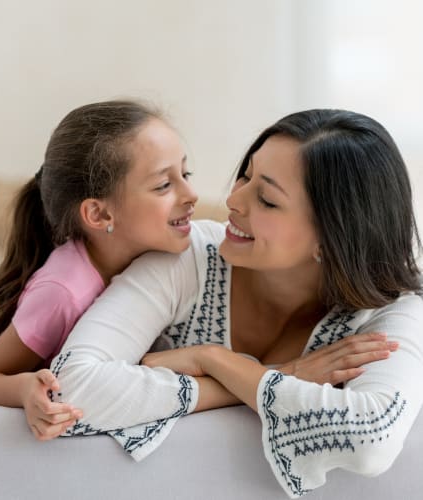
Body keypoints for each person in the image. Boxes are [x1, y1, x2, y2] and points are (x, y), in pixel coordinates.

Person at [50, 108, 422, 496]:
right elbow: (71, 387)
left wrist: (211, 360)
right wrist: (282, 374)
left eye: (266, 199)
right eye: (246, 175)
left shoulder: (393, 311)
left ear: (332, 237)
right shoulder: (188, 257)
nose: (233, 200)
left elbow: (371, 439)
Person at [0, 99, 198, 440]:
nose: (191, 194)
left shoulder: (160, 259)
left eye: (185, 174)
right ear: (99, 215)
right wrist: (26, 388)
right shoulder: (63, 291)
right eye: (163, 185)